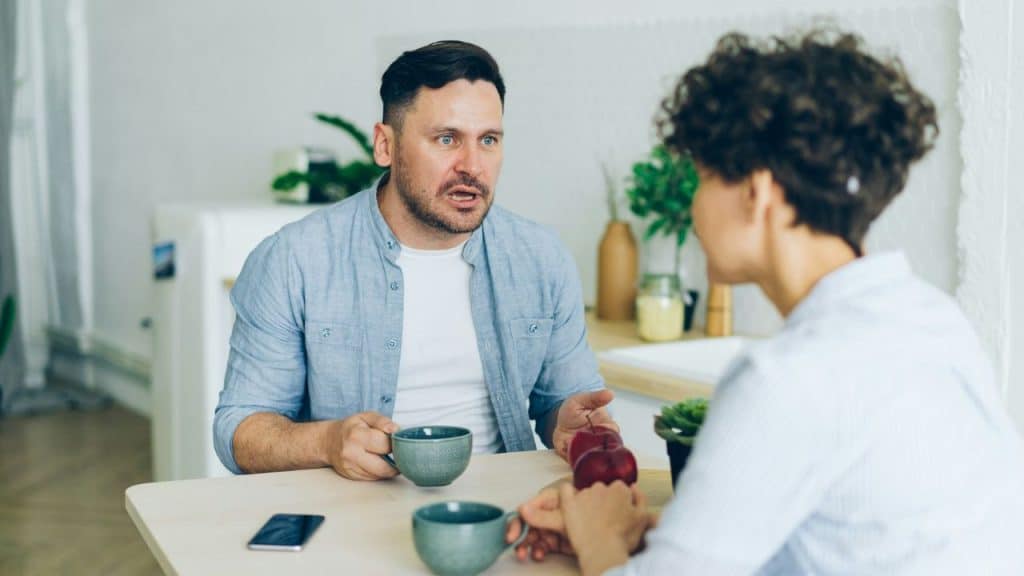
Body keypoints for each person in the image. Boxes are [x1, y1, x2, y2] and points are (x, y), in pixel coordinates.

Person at [510, 29, 1024, 575]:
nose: (694, 206)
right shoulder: (931, 319)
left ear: (756, 195)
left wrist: (599, 535)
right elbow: (852, 538)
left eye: (703, 178)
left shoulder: (788, 379)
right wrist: (642, 536)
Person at [213, 40, 617, 480]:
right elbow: (239, 431)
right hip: (351, 510)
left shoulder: (541, 258)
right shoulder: (294, 260)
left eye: (488, 140)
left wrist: (571, 425)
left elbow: (564, 402)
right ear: (385, 146)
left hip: (503, 508)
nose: (472, 166)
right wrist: (327, 442)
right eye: (447, 139)